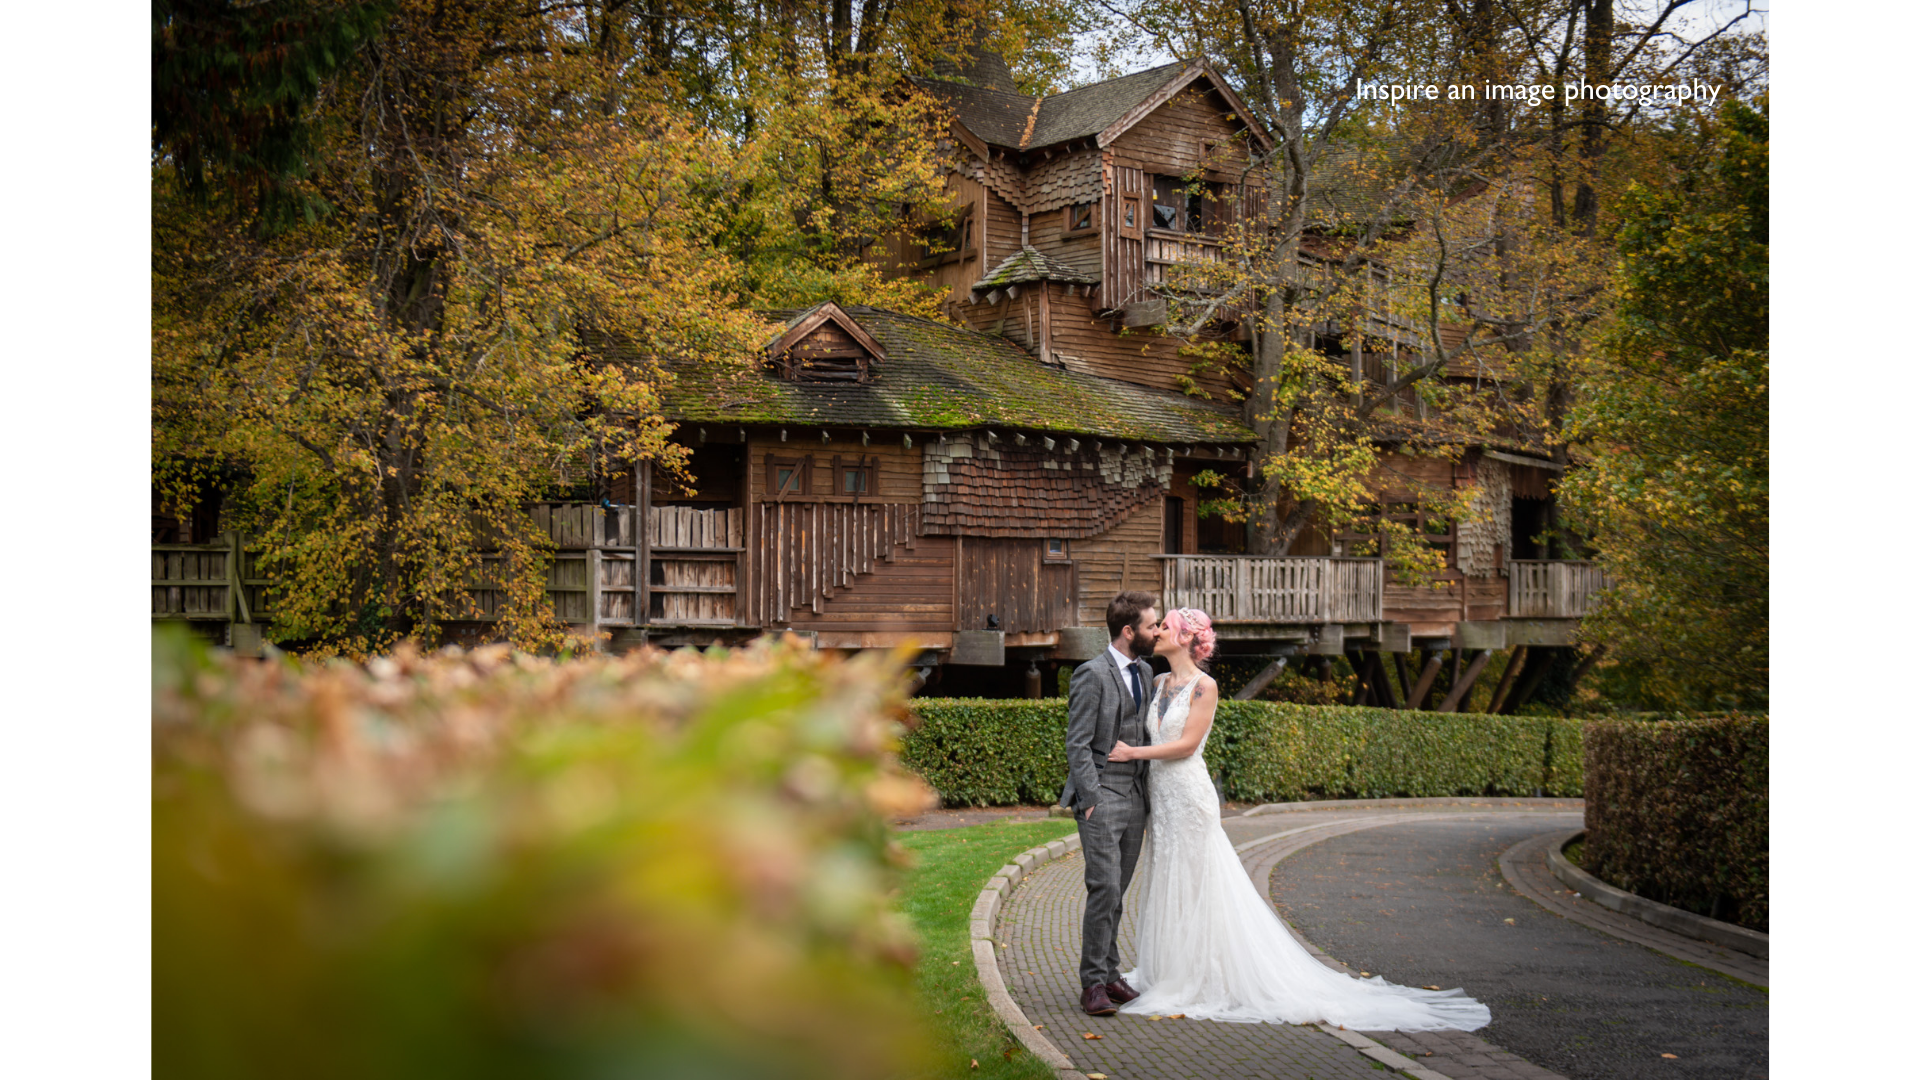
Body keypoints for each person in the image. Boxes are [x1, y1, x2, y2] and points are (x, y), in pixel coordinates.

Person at [1104, 608, 1492, 1031]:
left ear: (1184, 637)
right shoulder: (1157, 682)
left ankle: (1204, 974)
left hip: (1190, 799)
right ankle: (1170, 969)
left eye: (1165, 626)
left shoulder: (1205, 687)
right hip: (1161, 801)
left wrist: (1131, 753)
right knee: (1167, 878)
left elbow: (1185, 745)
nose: (1156, 631)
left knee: (1200, 883)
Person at [1060, 591, 1160, 1016]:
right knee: (1103, 891)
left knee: (1118, 893)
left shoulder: (1148, 670)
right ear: (1128, 631)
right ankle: (1092, 985)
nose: (1157, 632)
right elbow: (1077, 742)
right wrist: (1091, 800)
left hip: (1136, 798)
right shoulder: (1092, 673)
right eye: (1152, 626)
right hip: (1102, 797)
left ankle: (1111, 973)